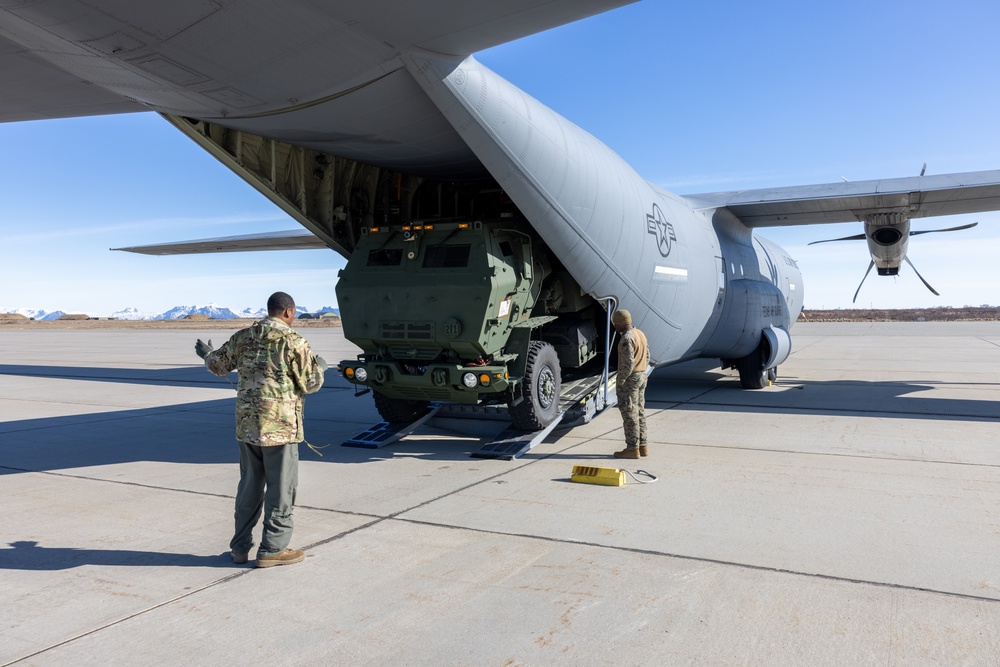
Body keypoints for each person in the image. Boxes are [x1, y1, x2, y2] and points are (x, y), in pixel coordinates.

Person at [195, 291, 326, 568]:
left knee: (249, 486)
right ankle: (273, 549)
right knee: (281, 488)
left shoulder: (242, 337)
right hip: (280, 429)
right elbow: (311, 384)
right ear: (288, 312)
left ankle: (240, 548)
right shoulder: (294, 342)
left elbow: (218, 365)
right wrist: (321, 368)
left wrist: (207, 355)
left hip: (248, 427)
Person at [611, 309, 649, 459]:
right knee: (639, 411)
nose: (615, 327)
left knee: (629, 414)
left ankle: (632, 448)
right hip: (642, 376)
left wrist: (620, 381)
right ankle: (643, 445)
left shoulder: (626, 339)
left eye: (616, 324)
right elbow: (647, 355)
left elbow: (628, 363)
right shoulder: (640, 334)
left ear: (621, 324)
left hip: (631, 379)